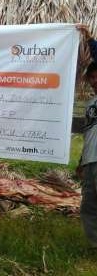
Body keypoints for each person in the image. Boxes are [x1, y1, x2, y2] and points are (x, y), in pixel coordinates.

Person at [76, 62, 97, 249]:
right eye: (92, 77)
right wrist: (81, 161)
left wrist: (90, 40)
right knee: (89, 207)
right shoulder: (90, 104)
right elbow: (88, 135)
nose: (95, 80)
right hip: (90, 161)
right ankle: (94, 246)